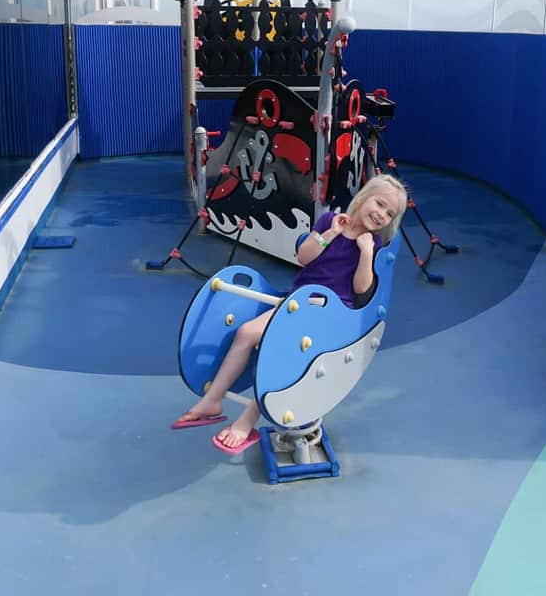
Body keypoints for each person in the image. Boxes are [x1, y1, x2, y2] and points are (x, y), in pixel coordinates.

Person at [172, 175, 409, 453]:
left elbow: (361, 289)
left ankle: (245, 423)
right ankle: (213, 400)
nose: (381, 214)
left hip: (328, 313)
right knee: (246, 332)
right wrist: (330, 233)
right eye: (379, 203)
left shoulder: (373, 245)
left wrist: (367, 252)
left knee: (278, 351)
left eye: (389, 213)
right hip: (297, 301)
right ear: (364, 197)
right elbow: (304, 257)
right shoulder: (329, 221)